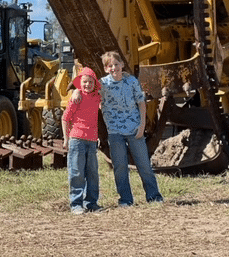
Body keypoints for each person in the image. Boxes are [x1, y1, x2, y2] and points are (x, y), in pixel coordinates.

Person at [100, 51, 163, 206]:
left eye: (116, 64)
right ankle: (126, 199)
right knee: (120, 167)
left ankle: (154, 196)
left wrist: (142, 125)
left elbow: (141, 103)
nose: (114, 68)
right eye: (110, 66)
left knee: (143, 164)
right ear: (106, 68)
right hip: (115, 131)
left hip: (134, 129)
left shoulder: (132, 81)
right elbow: (88, 91)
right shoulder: (103, 84)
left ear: (122, 64)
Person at [62, 66, 102, 215]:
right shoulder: (76, 97)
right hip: (77, 139)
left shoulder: (96, 97)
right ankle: (76, 204)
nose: (87, 85)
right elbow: (65, 118)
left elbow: (105, 89)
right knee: (77, 172)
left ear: (94, 84)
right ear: (80, 83)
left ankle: (91, 203)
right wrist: (66, 139)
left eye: (90, 82)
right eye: (84, 82)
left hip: (92, 141)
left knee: (92, 173)